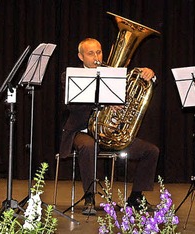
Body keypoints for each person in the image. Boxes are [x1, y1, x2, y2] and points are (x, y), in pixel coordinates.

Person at [59, 38, 159, 215]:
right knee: (89, 146)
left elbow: (137, 85)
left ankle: (135, 197)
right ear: (80, 56)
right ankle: (89, 198)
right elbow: (72, 107)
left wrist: (149, 73)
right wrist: (104, 103)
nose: (96, 56)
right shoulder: (69, 76)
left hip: (109, 133)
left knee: (151, 151)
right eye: (91, 53)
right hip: (81, 131)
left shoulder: (114, 74)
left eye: (99, 52)